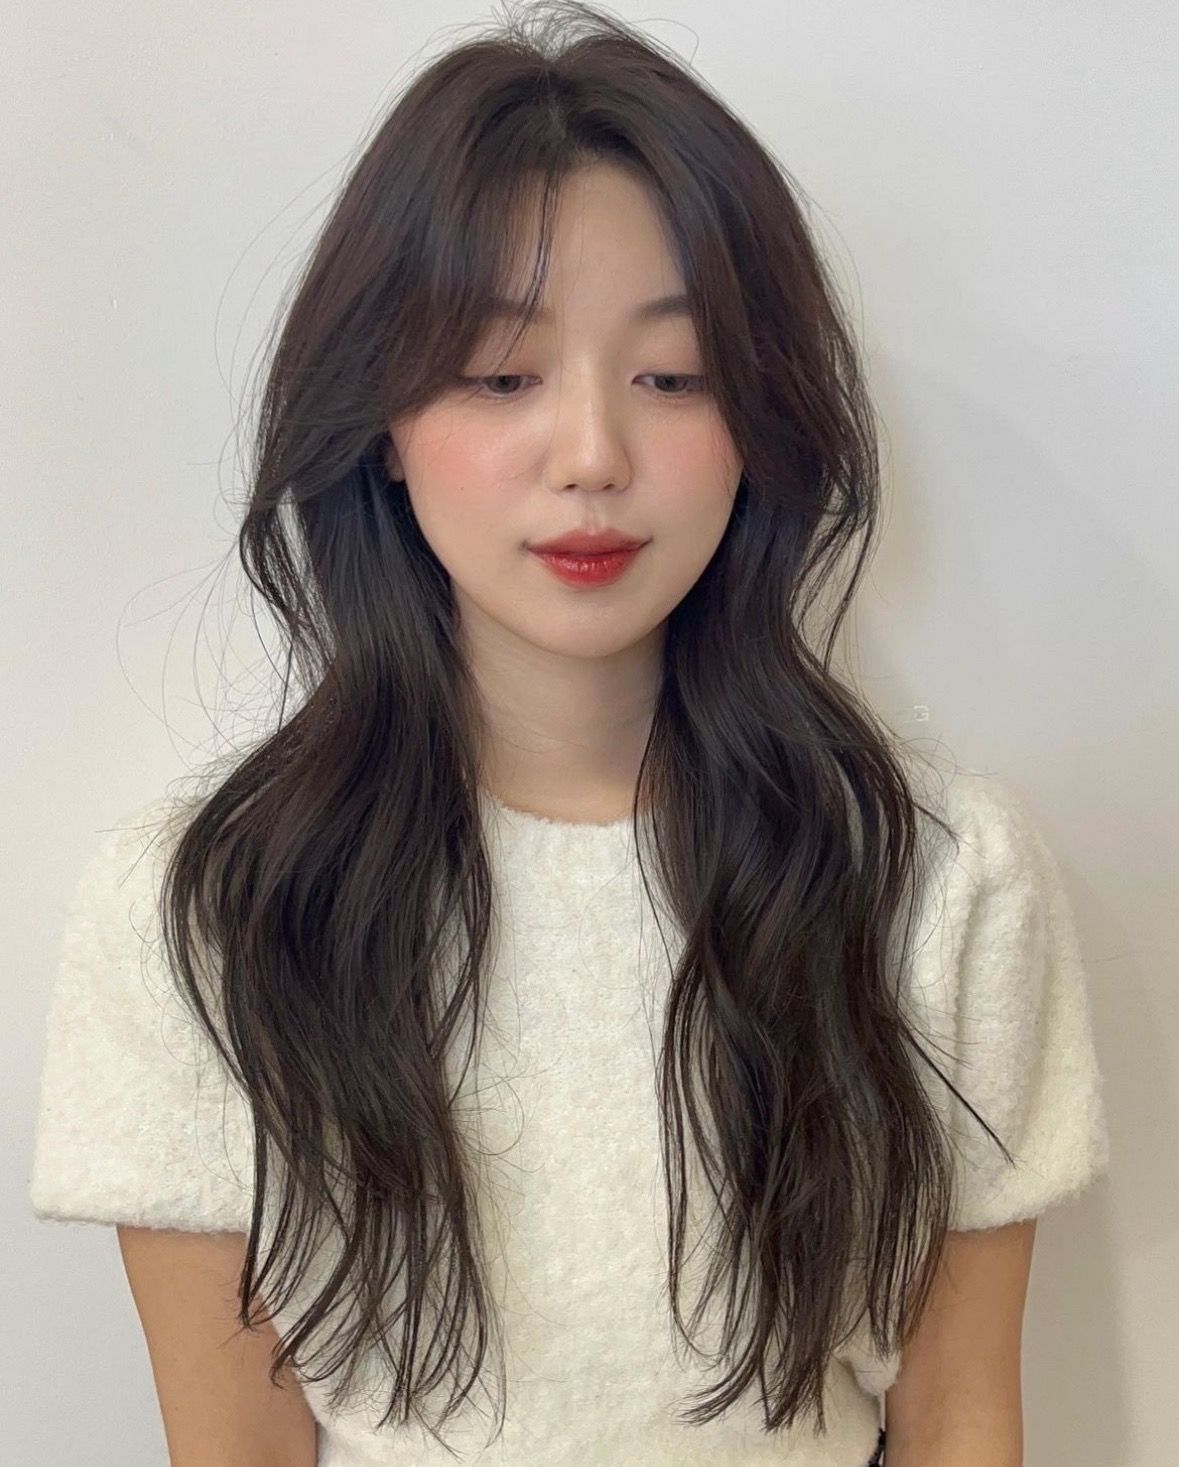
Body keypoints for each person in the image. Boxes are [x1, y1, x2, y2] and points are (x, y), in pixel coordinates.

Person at [28, 3, 1110, 1464]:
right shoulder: (207, 907)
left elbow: (960, 1415)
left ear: (761, 419)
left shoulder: (938, 876)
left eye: (675, 376)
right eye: (500, 373)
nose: (594, 455)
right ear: (382, 422)